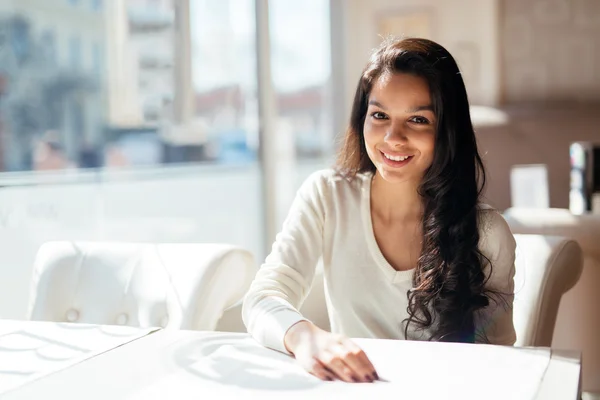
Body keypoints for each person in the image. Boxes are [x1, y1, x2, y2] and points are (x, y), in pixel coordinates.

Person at [242, 37, 516, 384]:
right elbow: (262, 298)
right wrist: (307, 338)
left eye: (418, 119)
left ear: (448, 131)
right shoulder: (327, 197)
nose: (393, 137)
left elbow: (501, 357)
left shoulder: (488, 232)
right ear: (362, 118)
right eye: (380, 115)